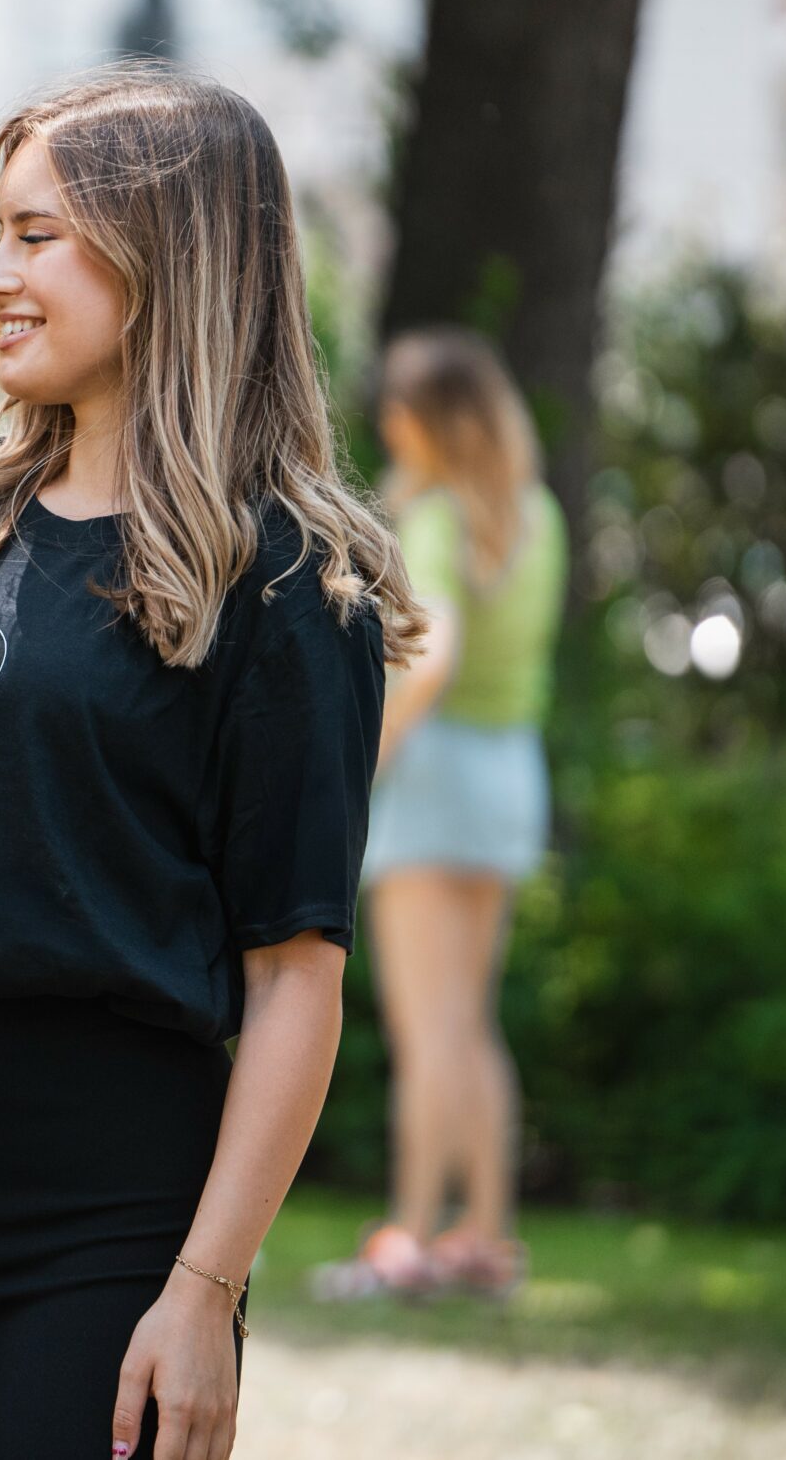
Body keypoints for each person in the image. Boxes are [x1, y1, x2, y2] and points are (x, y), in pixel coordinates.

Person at [0, 65, 422, 1460]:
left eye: (34, 236)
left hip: (107, 1196)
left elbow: (295, 977)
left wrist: (206, 1289)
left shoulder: (286, 581)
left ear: (167, 254)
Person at [311, 327, 566, 1301]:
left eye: (398, 411)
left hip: (433, 772)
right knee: (471, 1022)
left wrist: (366, 759)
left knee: (428, 1031)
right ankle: (484, 1236)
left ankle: (409, 1237)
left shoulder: (433, 516)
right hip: (510, 772)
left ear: (429, 420)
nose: (388, 426)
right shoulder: (539, 514)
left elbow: (435, 650)